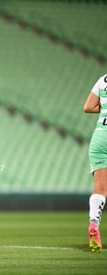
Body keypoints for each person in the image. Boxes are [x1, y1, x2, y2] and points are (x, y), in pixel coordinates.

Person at [83, 74, 107, 253]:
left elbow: (88, 107)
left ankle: (93, 224)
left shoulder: (103, 79)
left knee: (100, 188)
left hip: (100, 136)